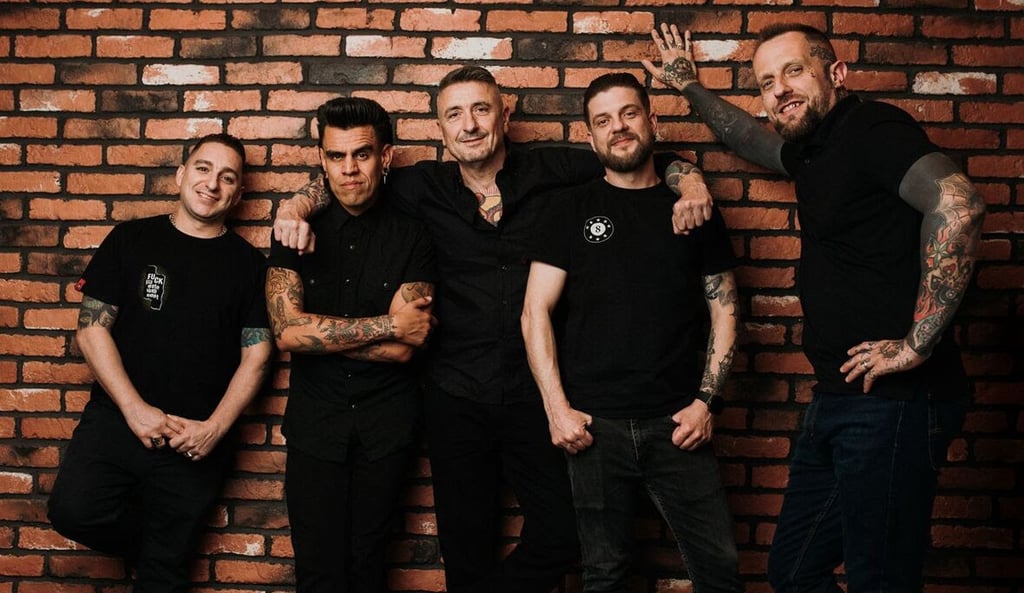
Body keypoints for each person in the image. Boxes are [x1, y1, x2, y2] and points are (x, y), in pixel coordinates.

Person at [273, 66, 714, 593]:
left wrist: (691, 183)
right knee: (466, 549)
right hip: (455, 395)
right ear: (440, 128)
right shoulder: (419, 186)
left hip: (537, 393)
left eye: (481, 109)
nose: (470, 125)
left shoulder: (555, 169)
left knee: (565, 534)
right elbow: (345, 178)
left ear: (504, 115)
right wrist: (295, 206)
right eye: (454, 114)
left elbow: (641, 156)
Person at [643, 23, 986, 592]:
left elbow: (960, 206)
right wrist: (689, 88)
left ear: (837, 73)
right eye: (766, 82)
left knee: (881, 581)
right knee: (795, 571)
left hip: (895, 402)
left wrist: (916, 345)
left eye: (794, 71)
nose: (779, 89)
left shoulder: (872, 129)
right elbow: (751, 140)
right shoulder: (814, 151)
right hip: (839, 398)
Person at [521, 72, 742, 593]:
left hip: (678, 423)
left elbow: (726, 310)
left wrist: (706, 402)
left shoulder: (693, 210)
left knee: (720, 570)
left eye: (628, 113)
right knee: (605, 575)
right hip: (594, 428)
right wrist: (557, 410)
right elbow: (534, 312)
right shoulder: (568, 209)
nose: (617, 127)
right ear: (590, 136)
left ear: (652, 121)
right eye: (603, 121)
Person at [47, 133, 273, 593]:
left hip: (194, 441)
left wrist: (213, 429)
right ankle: (153, 546)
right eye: (203, 168)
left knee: (164, 577)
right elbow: (91, 330)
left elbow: (258, 354)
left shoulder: (249, 265)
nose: (212, 183)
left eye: (227, 177)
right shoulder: (131, 239)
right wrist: (135, 410)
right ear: (180, 175)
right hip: (117, 422)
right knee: (73, 511)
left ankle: (160, 553)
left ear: (238, 195)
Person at [265, 97, 436, 593]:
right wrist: (386, 325)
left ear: (385, 156)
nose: (349, 169)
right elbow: (287, 333)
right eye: (336, 156)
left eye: (361, 154)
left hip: (387, 429)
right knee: (317, 574)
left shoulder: (414, 234)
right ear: (322, 159)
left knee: (368, 571)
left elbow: (408, 345)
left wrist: (318, 336)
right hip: (315, 428)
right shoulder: (293, 231)